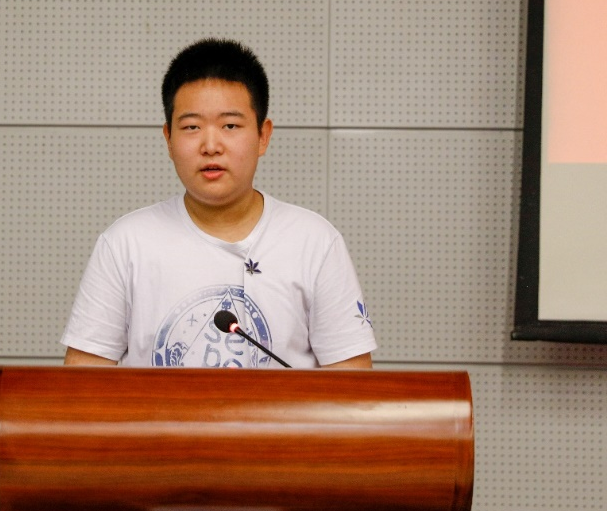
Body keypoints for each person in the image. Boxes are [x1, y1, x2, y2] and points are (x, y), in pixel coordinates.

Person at [61, 38, 375, 368]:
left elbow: (352, 381)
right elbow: (82, 381)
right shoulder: (125, 243)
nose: (211, 145)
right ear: (168, 139)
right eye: (192, 127)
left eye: (230, 125)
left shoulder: (315, 241)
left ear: (263, 136)